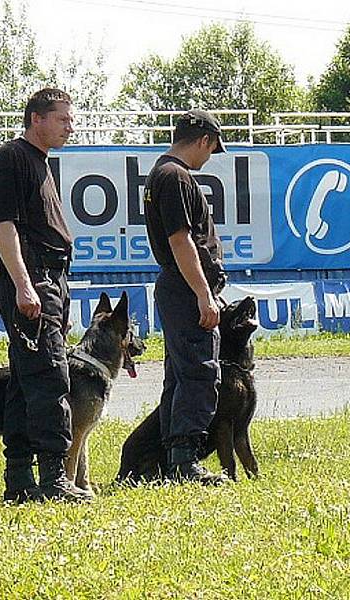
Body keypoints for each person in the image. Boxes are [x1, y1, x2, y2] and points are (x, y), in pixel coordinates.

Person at [0, 88, 92, 503]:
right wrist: (25, 285)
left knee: (23, 383)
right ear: (36, 119)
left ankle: (19, 480)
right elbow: (3, 226)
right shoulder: (11, 158)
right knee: (49, 377)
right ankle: (53, 477)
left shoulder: (41, 164)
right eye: (62, 119)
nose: (70, 126)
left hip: (50, 279)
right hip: (31, 279)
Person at [143, 109, 228, 484]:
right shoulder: (176, 176)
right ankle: (184, 460)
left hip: (177, 287)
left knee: (179, 375)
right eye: (211, 149)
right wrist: (203, 294)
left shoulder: (160, 173)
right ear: (204, 141)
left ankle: (171, 457)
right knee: (198, 372)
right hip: (185, 287)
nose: (209, 157)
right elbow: (181, 240)